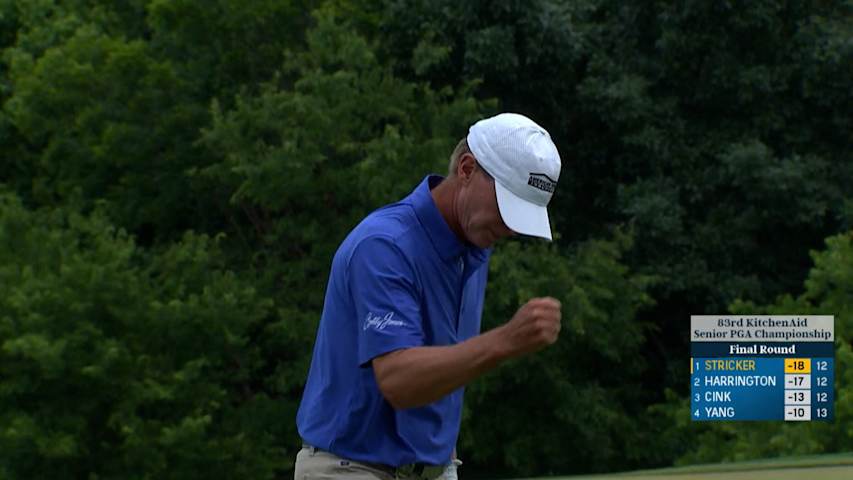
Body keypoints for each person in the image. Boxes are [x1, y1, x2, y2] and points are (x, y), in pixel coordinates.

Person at [295, 113, 563, 479]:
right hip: (350, 467)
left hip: (432, 468)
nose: (512, 227)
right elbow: (399, 382)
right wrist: (506, 340)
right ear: (466, 169)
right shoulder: (385, 247)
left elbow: (444, 361)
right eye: (506, 204)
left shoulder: (474, 244)